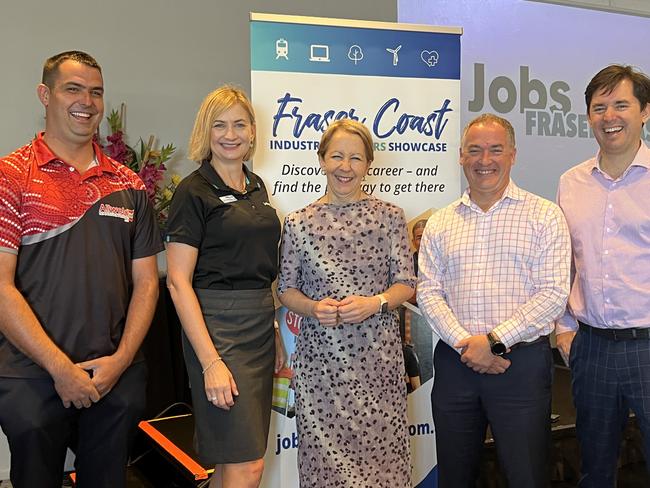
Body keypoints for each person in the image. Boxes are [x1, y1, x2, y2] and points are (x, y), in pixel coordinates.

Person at [0, 51, 162, 488]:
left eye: (96, 92)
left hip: (114, 371)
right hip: (31, 374)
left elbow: (147, 284)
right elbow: (1, 288)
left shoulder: (128, 185)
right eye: (73, 88)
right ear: (44, 94)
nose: (86, 101)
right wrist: (59, 368)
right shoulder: (11, 175)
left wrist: (122, 360)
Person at [417, 113, 570, 487]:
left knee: (527, 476)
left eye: (495, 150)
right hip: (456, 365)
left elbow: (552, 293)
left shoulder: (544, 215)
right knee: (455, 477)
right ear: (461, 156)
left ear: (513, 155)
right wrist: (467, 345)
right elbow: (428, 290)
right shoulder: (440, 222)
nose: (485, 160)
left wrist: (493, 341)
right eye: (475, 150)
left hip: (520, 367)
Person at [278, 119, 416, 487]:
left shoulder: (390, 217)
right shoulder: (298, 223)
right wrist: (312, 308)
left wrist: (377, 303)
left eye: (356, 158)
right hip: (321, 365)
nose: (345, 167)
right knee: (324, 467)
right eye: (337, 156)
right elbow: (286, 290)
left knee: (382, 463)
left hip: (377, 363)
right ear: (321, 160)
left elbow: (406, 283)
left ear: (368, 163)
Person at [165, 86, 283, 488]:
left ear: (252, 132)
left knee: (239, 463)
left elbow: (262, 270)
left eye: (239, 124)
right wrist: (210, 361)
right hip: (218, 331)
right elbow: (178, 283)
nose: (230, 134)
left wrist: (275, 331)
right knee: (246, 464)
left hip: (259, 329)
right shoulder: (193, 191)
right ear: (206, 131)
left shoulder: (257, 187)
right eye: (219, 125)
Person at [555, 64, 650, 487]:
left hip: (647, 345)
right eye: (599, 107)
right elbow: (563, 264)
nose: (609, 116)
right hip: (590, 348)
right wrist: (562, 330)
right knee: (594, 469)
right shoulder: (570, 182)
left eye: (620, 105)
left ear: (644, 112)